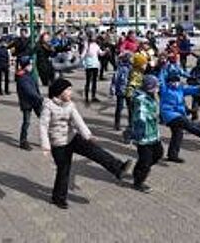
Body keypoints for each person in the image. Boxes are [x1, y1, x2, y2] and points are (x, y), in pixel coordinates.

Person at [39, 78, 133, 209]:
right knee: (63, 171)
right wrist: (45, 146)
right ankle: (58, 198)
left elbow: (78, 121)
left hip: (72, 138)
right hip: (59, 145)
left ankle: (119, 168)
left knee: (95, 151)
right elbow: (43, 126)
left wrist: (88, 135)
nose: (71, 93)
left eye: (71, 90)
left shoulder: (70, 105)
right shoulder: (48, 106)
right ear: (59, 92)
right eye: (68, 90)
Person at [159, 71, 200, 163]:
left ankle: (173, 155)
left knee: (178, 135)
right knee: (186, 123)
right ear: (168, 82)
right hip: (169, 115)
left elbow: (193, 89)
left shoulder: (180, 89)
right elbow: (160, 78)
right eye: (172, 81)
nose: (174, 83)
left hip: (178, 114)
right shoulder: (165, 89)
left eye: (176, 81)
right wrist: (161, 67)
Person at [128, 74, 163, 193]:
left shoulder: (152, 96)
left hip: (153, 133)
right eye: (156, 86)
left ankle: (139, 170)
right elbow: (140, 115)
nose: (158, 88)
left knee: (158, 153)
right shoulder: (140, 100)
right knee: (146, 160)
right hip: (143, 135)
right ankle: (138, 182)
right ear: (150, 87)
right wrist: (138, 131)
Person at [16, 56, 43, 150]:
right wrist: (40, 98)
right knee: (26, 122)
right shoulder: (22, 76)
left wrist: (39, 97)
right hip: (27, 102)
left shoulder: (29, 74)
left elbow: (35, 87)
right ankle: (23, 141)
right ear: (25, 66)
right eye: (30, 65)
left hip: (36, 102)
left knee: (44, 119)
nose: (32, 66)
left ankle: (48, 139)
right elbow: (29, 91)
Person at [81, 34, 107, 103]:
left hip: (95, 65)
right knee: (88, 81)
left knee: (94, 82)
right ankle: (86, 98)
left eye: (94, 37)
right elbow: (82, 55)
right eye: (93, 37)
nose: (94, 38)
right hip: (89, 65)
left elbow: (101, 54)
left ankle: (93, 97)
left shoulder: (96, 45)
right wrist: (84, 61)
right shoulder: (87, 45)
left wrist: (106, 51)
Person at [110, 52, 132, 130]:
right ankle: (117, 124)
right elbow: (115, 79)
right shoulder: (120, 67)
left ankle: (130, 123)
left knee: (130, 108)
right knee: (120, 107)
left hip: (129, 90)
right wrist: (112, 89)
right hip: (121, 90)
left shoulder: (132, 68)